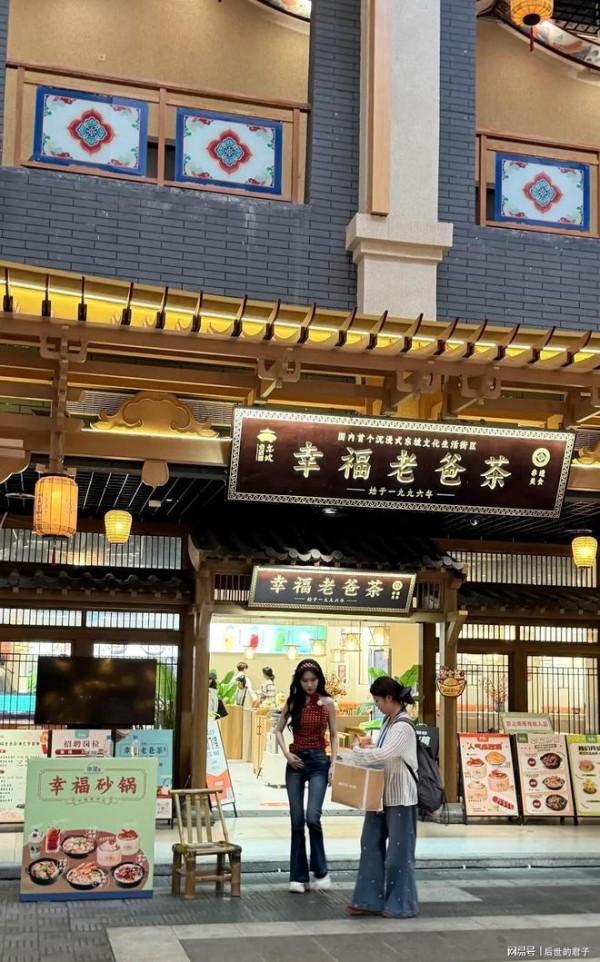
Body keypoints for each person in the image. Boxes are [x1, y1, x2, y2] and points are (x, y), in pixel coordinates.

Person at [346, 676, 419, 919]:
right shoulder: (389, 722)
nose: (376, 704)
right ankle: (368, 901)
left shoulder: (403, 726)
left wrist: (357, 753)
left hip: (400, 797)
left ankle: (402, 905)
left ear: (389, 698)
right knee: (370, 845)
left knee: (399, 853)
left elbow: (384, 754)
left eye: (377, 700)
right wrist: (368, 746)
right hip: (380, 794)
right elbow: (381, 751)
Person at [275, 659, 337, 894]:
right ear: (299, 682)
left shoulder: (328, 703)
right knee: (296, 820)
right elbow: (278, 730)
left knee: (313, 817)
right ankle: (298, 877)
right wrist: (287, 753)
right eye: (305, 681)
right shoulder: (293, 702)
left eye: (313, 680)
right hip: (296, 762)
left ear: (319, 679)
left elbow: (333, 735)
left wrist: (333, 765)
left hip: (319, 762)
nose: (310, 684)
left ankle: (320, 871)